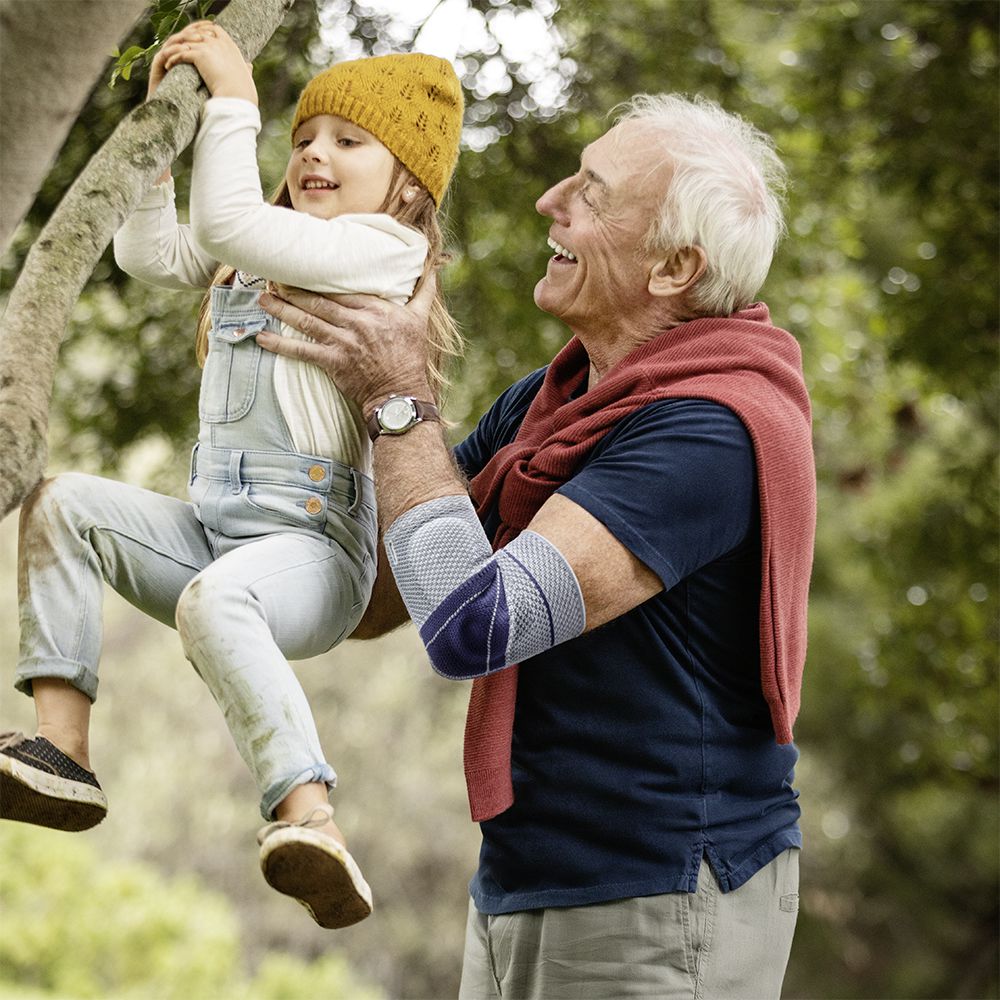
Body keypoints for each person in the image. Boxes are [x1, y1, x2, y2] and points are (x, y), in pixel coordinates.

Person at [255, 92, 816, 996]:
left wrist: (399, 398)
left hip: (661, 888)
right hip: (527, 874)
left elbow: (473, 625)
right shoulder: (548, 399)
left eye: (591, 194)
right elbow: (383, 596)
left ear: (674, 266)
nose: (548, 200)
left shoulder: (710, 432)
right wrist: (228, 539)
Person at [0, 22, 463, 930]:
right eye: (303, 139)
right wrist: (156, 150)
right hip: (216, 534)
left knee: (214, 602)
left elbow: (226, 223)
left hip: (312, 557)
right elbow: (149, 253)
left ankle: (310, 817)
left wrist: (234, 96)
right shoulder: (262, 244)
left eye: (348, 141)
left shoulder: (382, 251)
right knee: (65, 508)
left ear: (407, 183)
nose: (314, 153)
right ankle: (62, 747)